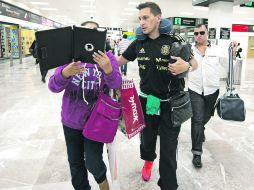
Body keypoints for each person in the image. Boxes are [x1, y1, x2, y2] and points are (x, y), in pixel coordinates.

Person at [116, 2, 198, 190]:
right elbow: (120, 61)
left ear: (158, 17)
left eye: (145, 17)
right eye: (140, 19)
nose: (142, 22)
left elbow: (194, 63)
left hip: (171, 103)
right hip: (146, 101)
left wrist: (186, 66)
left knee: (169, 149)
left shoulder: (174, 40)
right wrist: (100, 62)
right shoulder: (139, 42)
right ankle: (148, 161)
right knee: (147, 139)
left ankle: (168, 185)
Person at [48, 21, 122, 190]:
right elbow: (53, 86)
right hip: (70, 120)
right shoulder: (68, 56)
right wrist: (65, 73)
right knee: (75, 163)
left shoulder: (107, 56)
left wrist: (108, 69)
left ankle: (103, 182)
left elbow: (116, 83)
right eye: (85, 32)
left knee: (93, 161)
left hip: (96, 120)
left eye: (94, 32)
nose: (89, 36)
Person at [188, 24, 220, 168]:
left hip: (212, 90)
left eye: (201, 32)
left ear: (207, 33)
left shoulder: (217, 49)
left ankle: (201, 130)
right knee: (197, 120)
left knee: (205, 117)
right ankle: (197, 153)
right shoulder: (189, 50)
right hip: (194, 89)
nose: (199, 35)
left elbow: (229, 62)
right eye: (196, 33)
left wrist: (232, 48)